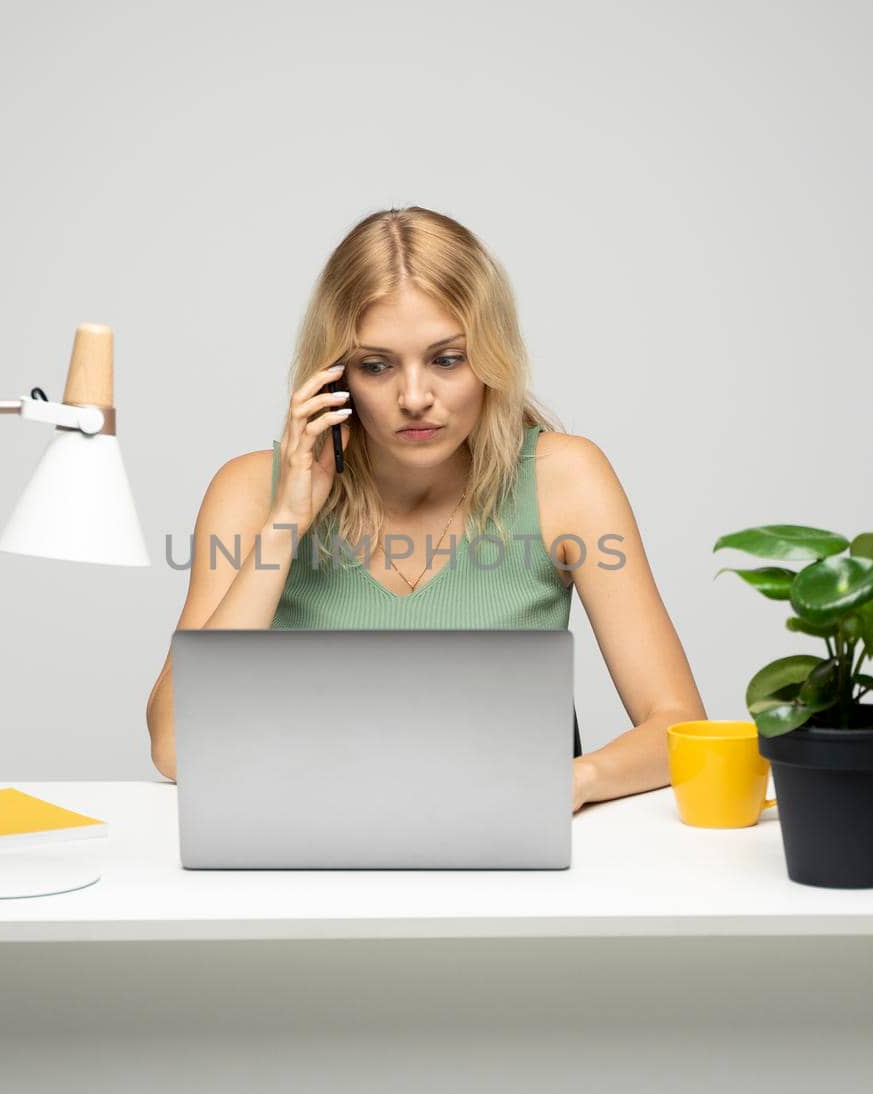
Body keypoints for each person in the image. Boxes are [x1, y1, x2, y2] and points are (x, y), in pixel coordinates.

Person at [145, 207, 706, 812]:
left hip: (506, 843)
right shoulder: (250, 491)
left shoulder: (564, 480)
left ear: (491, 358)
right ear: (336, 378)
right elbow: (176, 747)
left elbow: (680, 730)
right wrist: (287, 522)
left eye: (447, 359)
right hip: (309, 850)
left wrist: (574, 780)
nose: (415, 398)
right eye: (376, 366)